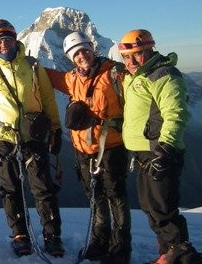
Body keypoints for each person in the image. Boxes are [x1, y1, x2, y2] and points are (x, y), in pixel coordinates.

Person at [0, 19, 64, 257]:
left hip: (34, 134)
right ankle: (20, 234)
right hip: (2, 137)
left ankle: (52, 235)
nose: (3, 44)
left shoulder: (32, 66)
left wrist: (56, 128)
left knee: (42, 187)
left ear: (15, 40)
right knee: (10, 189)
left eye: (7, 39)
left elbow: (48, 99)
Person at [45, 31, 132, 263]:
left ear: (92, 49)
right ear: (71, 58)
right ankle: (99, 242)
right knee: (95, 196)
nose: (82, 55)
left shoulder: (115, 73)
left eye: (85, 49)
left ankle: (121, 248)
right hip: (83, 150)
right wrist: (29, 65)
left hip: (112, 146)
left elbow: (139, 90)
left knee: (116, 196)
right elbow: (52, 77)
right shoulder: (72, 79)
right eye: (77, 53)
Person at [119, 29, 197, 263]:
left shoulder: (163, 75)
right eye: (126, 57)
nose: (131, 61)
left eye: (138, 54)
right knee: (151, 208)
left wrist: (167, 148)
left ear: (150, 50)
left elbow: (176, 113)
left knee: (164, 210)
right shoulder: (135, 76)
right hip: (143, 153)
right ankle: (167, 255)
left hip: (160, 151)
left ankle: (179, 255)